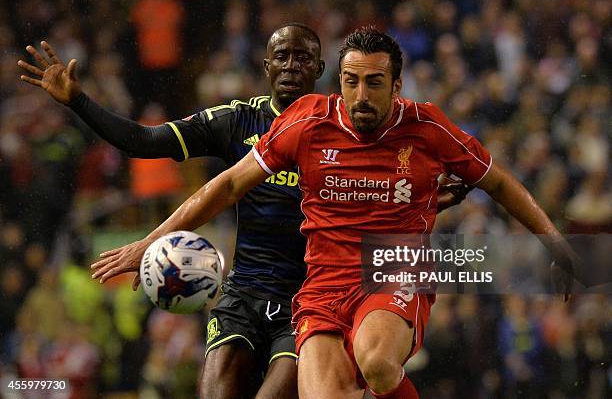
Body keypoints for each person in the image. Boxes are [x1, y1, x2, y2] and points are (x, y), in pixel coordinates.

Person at [83, 26, 576, 398]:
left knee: (378, 362)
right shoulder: (309, 121)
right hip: (320, 284)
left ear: (397, 84)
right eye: (351, 82)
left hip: (391, 264)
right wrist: (150, 242)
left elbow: (499, 182)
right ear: (338, 79)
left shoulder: (427, 128)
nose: (361, 96)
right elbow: (228, 184)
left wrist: (553, 241)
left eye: (375, 83)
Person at [18, 24, 470, 398]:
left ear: (319, 69)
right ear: (266, 65)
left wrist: (425, 196)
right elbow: (144, 141)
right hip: (245, 292)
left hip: (310, 298)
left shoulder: (350, 129)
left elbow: (395, 192)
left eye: (303, 58)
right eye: (282, 56)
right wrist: (79, 101)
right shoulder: (236, 121)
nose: (292, 66)